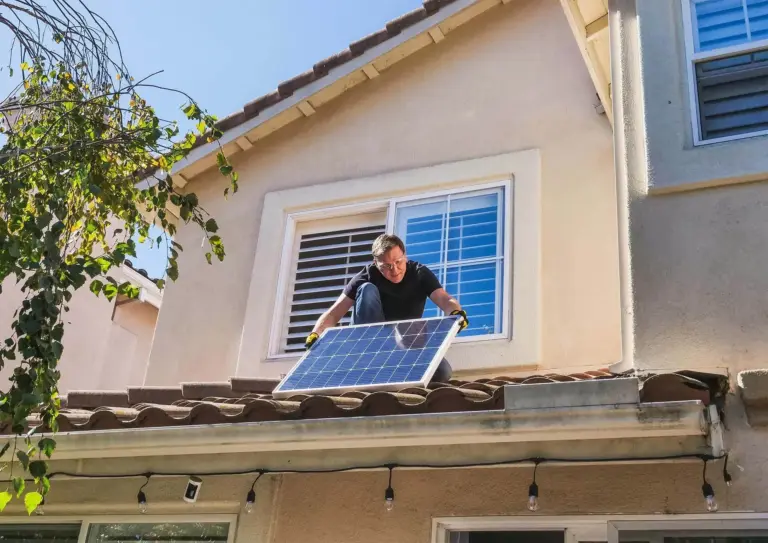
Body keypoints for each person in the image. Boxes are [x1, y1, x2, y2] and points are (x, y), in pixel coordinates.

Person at [304, 234, 468, 379]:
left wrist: (456, 313)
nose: (395, 270)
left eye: (398, 262)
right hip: (369, 342)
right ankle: (367, 354)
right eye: (387, 266)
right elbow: (333, 314)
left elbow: (444, 299)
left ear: (405, 255)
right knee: (367, 289)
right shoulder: (366, 275)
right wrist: (316, 334)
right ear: (376, 263)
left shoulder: (419, 273)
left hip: (404, 344)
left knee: (442, 372)